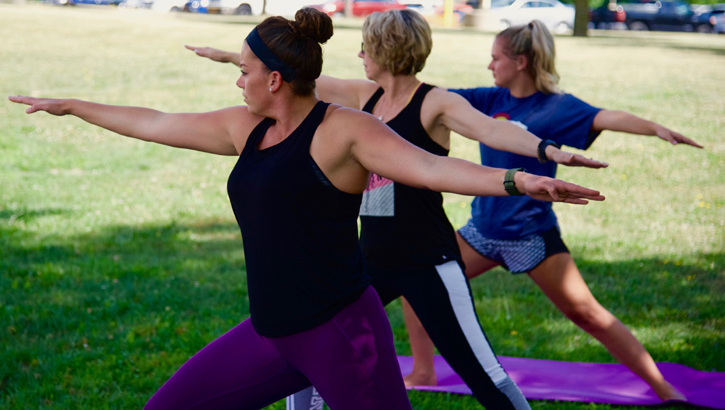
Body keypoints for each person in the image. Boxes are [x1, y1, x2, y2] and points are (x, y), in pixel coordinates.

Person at [9, 9, 605, 410]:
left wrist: (519, 180)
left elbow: (431, 169)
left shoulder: (345, 130)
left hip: (342, 336)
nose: (236, 79)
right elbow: (156, 122)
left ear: (274, 79)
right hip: (272, 332)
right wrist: (74, 106)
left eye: (243, 70)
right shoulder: (245, 128)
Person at [397, 20, 702, 403]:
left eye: (496, 58)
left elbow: (609, 117)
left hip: (532, 237)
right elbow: (427, 98)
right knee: (418, 285)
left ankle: (665, 390)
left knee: (588, 315)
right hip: (482, 232)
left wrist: (656, 128)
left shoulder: (558, 107)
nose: (490, 66)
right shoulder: (491, 100)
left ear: (521, 62)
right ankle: (423, 370)